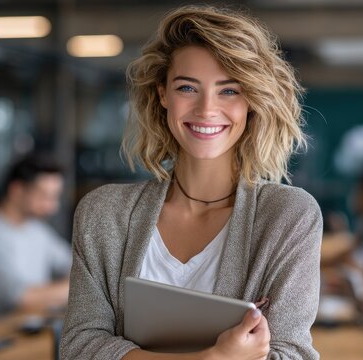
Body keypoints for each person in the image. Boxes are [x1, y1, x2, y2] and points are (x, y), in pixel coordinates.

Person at [60, 5, 322, 360]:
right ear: (163, 94)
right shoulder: (103, 212)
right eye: (188, 87)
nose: (206, 110)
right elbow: (79, 346)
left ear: (251, 101)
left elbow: (292, 355)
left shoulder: (288, 216)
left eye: (229, 91)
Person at [0, 154, 71, 332]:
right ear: (17, 191)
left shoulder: (36, 228)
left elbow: (73, 263)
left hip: (29, 332)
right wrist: (80, 287)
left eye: (55, 196)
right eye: (45, 196)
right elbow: (22, 299)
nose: (53, 206)